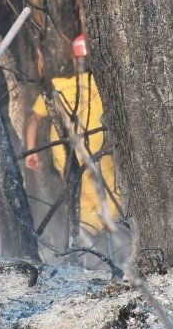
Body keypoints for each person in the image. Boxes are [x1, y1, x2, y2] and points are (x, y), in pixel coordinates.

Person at [23, 34, 121, 240]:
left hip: (66, 157)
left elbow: (33, 119)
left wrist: (31, 151)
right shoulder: (106, 84)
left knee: (82, 201)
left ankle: (83, 245)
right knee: (113, 201)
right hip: (101, 153)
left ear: (75, 59)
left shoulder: (58, 86)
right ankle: (112, 247)